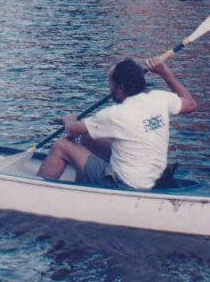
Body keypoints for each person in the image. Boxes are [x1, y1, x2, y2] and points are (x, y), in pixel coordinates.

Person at [36, 56, 197, 190]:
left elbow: (71, 131)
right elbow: (191, 104)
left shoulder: (114, 114)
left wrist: (69, 120)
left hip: (125, 184)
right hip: (154, 178)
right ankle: (82, 186)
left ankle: (37, 192)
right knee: (88, 138)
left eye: (110, 83)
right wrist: (165, 73)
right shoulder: (159, 98)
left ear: (120, 88)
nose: (109, 87)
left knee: (61, 146)